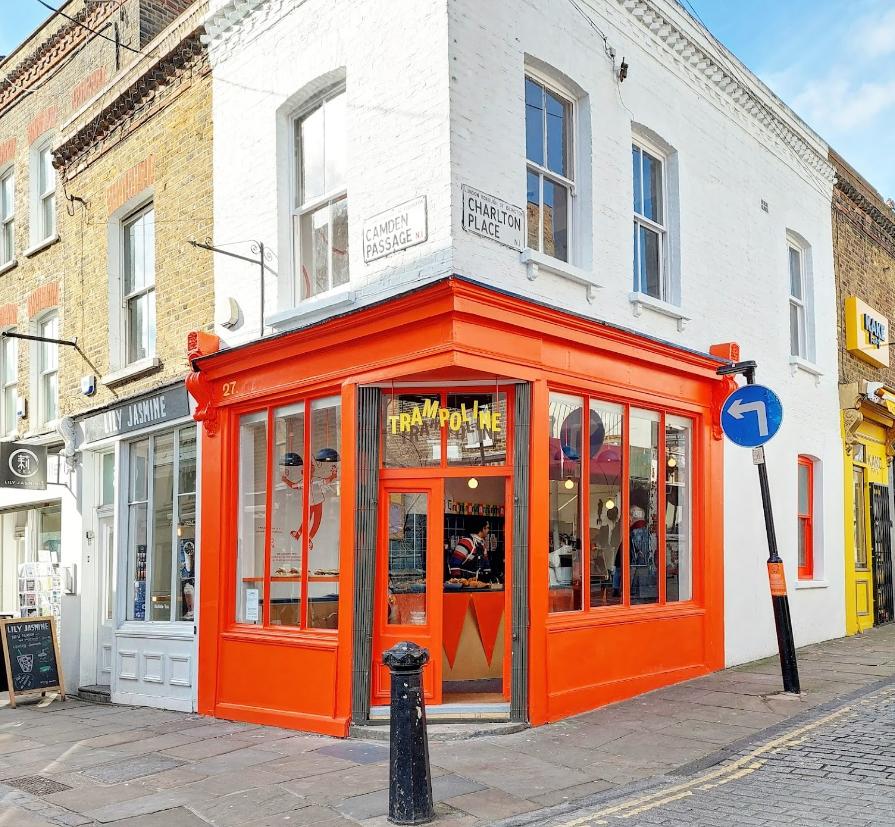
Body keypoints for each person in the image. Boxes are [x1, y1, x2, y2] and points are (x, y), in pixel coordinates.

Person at [449, 516, 492, 580]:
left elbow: (486, 565)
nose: (489, 530)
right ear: (483, 528)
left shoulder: (482, 544)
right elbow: (454, 564)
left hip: (477, 582)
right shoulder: (466, 542)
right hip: (464, 582)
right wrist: (458, 581)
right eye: (488, 528)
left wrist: (488, 578)